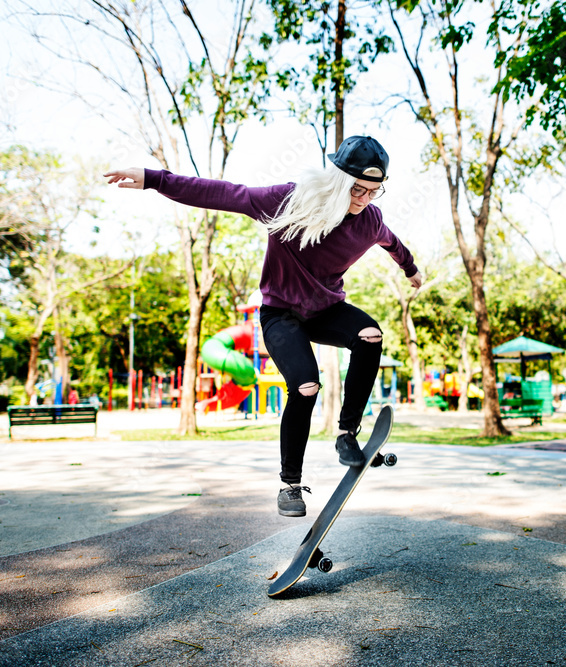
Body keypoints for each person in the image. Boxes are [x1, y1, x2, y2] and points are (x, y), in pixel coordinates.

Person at [104, 135, 423, 517]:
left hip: (325, 310)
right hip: (281, 315)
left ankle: (346, 434)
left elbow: (393, 242)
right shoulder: (291, 201)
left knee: (370, 336)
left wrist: (411, 269)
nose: (364, 199)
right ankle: (290, 485)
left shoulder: (370, 220)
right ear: (336, 179)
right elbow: (222, 193)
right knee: (306, 386)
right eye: (357, 189)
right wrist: (154, 178)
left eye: (373, 191)